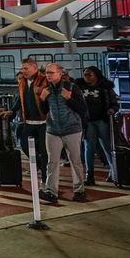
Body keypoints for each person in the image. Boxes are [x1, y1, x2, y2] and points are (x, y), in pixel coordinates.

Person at [36, 63, 87, 203]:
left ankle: (79, 190)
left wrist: (69, 98)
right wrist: (42, 99)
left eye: (51, 72)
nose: (48, 75)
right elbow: (44, 111)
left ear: (60, 73)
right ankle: (51, 191)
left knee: (75, 161)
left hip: (72, 129)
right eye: (47, 72)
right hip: (53, 130)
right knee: (52, 162)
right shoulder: (47, 90)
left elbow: (82, 108)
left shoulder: (71, 87)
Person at [0, 58, 48, 183]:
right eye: (22, 68)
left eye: (26, 68)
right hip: (29, 122)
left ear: (34, 68)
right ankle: (42, 167)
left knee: (44, 150)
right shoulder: (22, 81)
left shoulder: (44, 80)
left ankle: (46, 176)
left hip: (44, 122)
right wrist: (12, 111)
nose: (23, 71)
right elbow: (20, 100)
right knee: (24, 145)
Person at [76, 66, 118, 186]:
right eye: (85, 75)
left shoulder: (105, 87)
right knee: (89, 147)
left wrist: (112, 110)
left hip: (102, 120)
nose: (87, 77)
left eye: (90, 75)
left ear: (96, 75)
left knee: (107, 147)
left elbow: (114, 103)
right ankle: (90, 175)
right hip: (87, 121)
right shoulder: (79, 86)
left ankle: (114, 172)